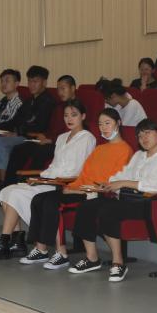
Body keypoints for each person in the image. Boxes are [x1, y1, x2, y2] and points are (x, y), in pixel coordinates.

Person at [0, 100, 95, 261]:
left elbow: (78, 169)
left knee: (15, 193)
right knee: (6, 191)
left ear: (83, 116)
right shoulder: (61, 137)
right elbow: (54, 165)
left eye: (74, 115)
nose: (69, 119)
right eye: (66, 115)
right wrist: (40, 178)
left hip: (63, 184)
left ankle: (3, 242)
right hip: (49, 180)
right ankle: (16, 241)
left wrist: (49, 181)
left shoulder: (87, 138)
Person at [70, 119, 157, 282]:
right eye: (140, 135)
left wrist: (123, 183)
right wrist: (109, 184)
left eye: (148, 133)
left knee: (108, 211)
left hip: (149, 203)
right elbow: (124, 174)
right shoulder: (139, 155)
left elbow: (156, 186)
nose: (144, 138)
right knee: (86, 207)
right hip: (127, 198)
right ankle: (92, 258)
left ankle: (118, 262)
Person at [28, 108, 132, 271]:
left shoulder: (125, 149)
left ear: (118, 123)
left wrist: (81, 190)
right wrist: (71, 187)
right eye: (100, 124)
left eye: (107, 123)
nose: (103, 128)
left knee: (54, 202)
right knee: (39, 198)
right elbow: (84, 175)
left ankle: (74, 255)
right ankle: (41, 247)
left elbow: (112, 180)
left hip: (99, 193)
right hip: (84, 189)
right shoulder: (100, 149)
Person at [0, 65, 57, 183]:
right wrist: (7, 129)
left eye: (35, 81)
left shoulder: (47, 102)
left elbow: (39, 126)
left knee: (3, 143)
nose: (31, 85)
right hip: (24, 135)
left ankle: (5, 184)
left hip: (35, 138)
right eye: (29, 81)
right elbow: (16, 120)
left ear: (44, 82)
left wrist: (18, 132)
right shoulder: (30, 100)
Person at [0, 68, 23, 132]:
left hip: (8, 134)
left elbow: (13, 125)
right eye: (2, 81)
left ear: (16, 84)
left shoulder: (19, 104)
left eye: (7, 81)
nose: (3, 84)